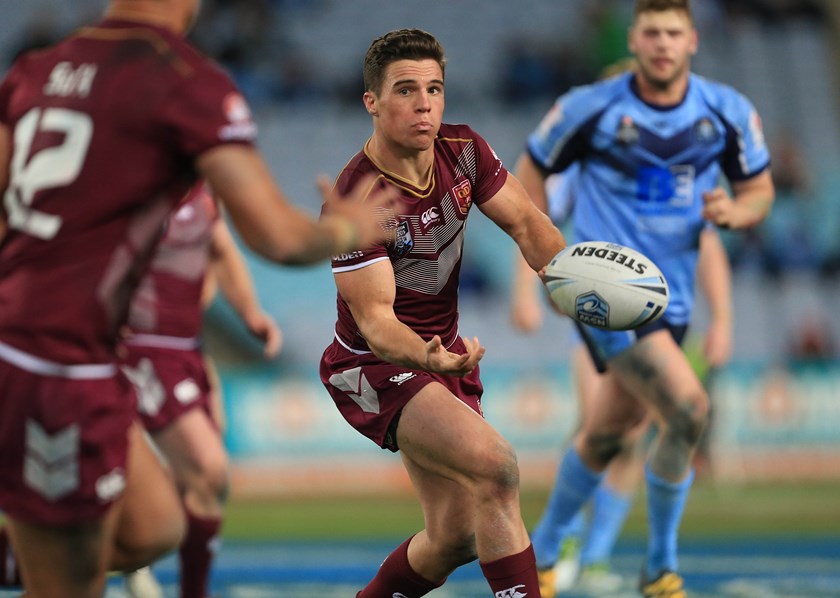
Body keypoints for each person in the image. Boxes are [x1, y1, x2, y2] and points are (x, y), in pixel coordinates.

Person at [0, 0, 395, 596]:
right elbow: (279, 238)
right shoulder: (185, 81)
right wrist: (346, 228)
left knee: (153, 527)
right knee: (70, 584)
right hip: (56, 364)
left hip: (63, 351)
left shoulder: (37, 69)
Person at [511, 1, 774, 596]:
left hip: (672, 302)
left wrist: (738, 211)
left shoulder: (727, 112)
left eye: (673, 32)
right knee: (689, 407)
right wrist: (546, 260)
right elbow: (529, 171)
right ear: (633, 39)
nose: (662, 43)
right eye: (651, 32)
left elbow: (759, 190)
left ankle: (542, 553)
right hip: (607, 295)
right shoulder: (589, 108)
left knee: (610, 433)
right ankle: (660, 568)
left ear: (693, 40)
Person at [319, 28, 568, 598]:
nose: (424, 104)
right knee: (497, 468)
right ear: (372, 102)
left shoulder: (464, 150)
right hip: (375, 365)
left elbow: (528, 224)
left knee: (455, 536)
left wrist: (572, 283)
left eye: (434, 89)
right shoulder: (357, 200)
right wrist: (427, 357)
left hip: (439, 356)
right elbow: (378, 324)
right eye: (405, 90)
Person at [120, 182, 282, 598]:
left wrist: (250, 312)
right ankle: (136, 558)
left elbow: (221, 249)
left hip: (186, 345)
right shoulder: (125, 173)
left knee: (203, 472)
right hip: (136, 345)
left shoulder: (204, 186)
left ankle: (139, 556)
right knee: (207, 468)